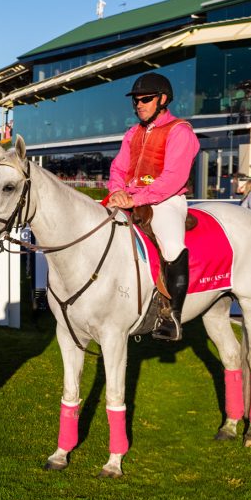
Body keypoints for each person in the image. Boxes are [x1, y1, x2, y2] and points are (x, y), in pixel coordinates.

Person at [106, 73, 199, 342]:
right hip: (129, 197)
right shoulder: (132, 133)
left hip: (166, 200)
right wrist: (117, 190)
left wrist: (135, 199)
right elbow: (118, 168)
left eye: (145, 99)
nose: (139, 104)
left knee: (171, 246)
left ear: (163, 99)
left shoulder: (180, 131)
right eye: (136, 100)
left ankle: (173, 317)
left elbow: (173, 178)